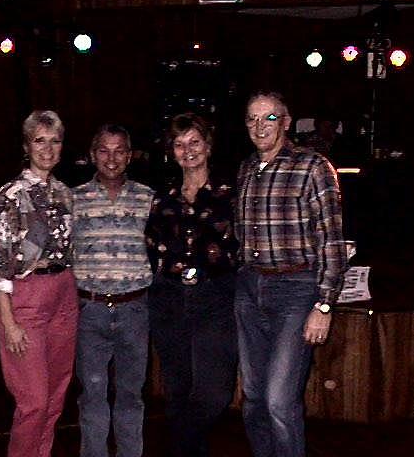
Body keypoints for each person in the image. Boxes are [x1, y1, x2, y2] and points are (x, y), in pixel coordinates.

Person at [235, 91, 347, 457]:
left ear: (285, 122)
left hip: (295, 290)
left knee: (279, 401)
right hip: (250, 288)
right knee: (253, 399)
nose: (259, 126)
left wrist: (324, 304)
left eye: (269, 118)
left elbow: (331, 239)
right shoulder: (246, 169)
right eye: (252, 118)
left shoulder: (313, 167)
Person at [0, 110, 78, 457]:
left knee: (55, 396)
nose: (47, 148)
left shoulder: (65, 194)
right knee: (34, 400)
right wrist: (8, 322)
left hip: (64, 293)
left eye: (55, 141)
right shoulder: (8, 196)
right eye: (39, 140)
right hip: (27, 297)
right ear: (26, 146)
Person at [145, 112, 238, 457]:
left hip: (216, 297)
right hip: (169, 299)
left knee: (215, 393)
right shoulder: (163, 198)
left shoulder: (232, 193)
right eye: (179, 144)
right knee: (178, 391)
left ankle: (176, 448)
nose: (188, 150)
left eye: (194, 142)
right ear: (172, 152)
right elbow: (151, 249)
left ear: (208, 145)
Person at [71, 124, 155, 457]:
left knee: (131, 395)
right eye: (104, 150)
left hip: (134, 309)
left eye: (119, 150)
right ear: (93, 155)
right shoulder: (74, 199)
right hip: (90, 310)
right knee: (92, 395)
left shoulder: (147, 198)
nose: (112, 158)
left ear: (129, 156)